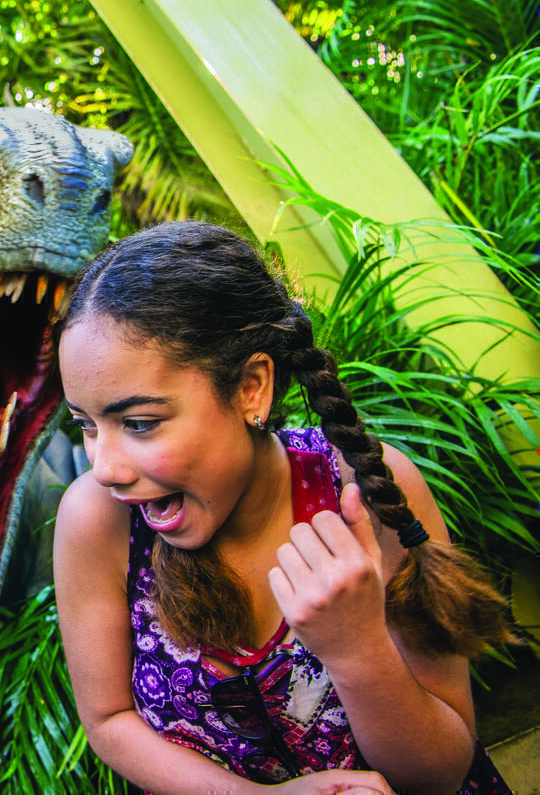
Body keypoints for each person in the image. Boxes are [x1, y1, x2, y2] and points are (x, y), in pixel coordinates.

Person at [53, 221, 514, 793]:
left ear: (251, 387)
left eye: (140, 423)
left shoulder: (365, 492)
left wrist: (356, 648)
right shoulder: (98, 520)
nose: (105, 468)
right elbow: (108, 722)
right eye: (86, 425)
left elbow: (442, 772)